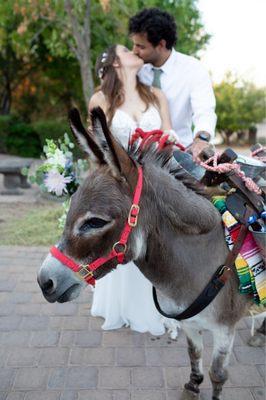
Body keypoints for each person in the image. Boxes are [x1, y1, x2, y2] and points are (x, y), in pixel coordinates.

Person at [88, 44, 180, 337]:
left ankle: (163, 302)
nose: (135, 51)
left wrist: (166, 139)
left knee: (158, 241)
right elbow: (97, 150)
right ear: (116, 64)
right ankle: (128, 305)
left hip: (156, 180)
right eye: (127, 50)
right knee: (126, 237)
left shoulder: (156, 96)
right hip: (120, 183)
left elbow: (168, 133)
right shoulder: (100, 99)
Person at [129, 7, 217, 160]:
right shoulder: (135, 69)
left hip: (181, 156)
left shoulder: (193, 69)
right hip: (140, 159)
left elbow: (205, 111)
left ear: (161, 45)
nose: (134, 51)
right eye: (134, 44)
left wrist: (201, 139)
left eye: (141, 46)